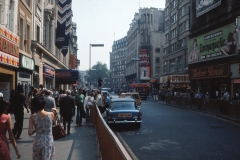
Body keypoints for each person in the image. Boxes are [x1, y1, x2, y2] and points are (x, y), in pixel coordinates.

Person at [28, 95, 56, 160]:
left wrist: (36, 129)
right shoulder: (51, 114)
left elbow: (30, 133)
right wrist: (55, 113)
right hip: (48, 141)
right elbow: (54, 124)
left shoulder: (33, 117)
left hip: (38, 141)